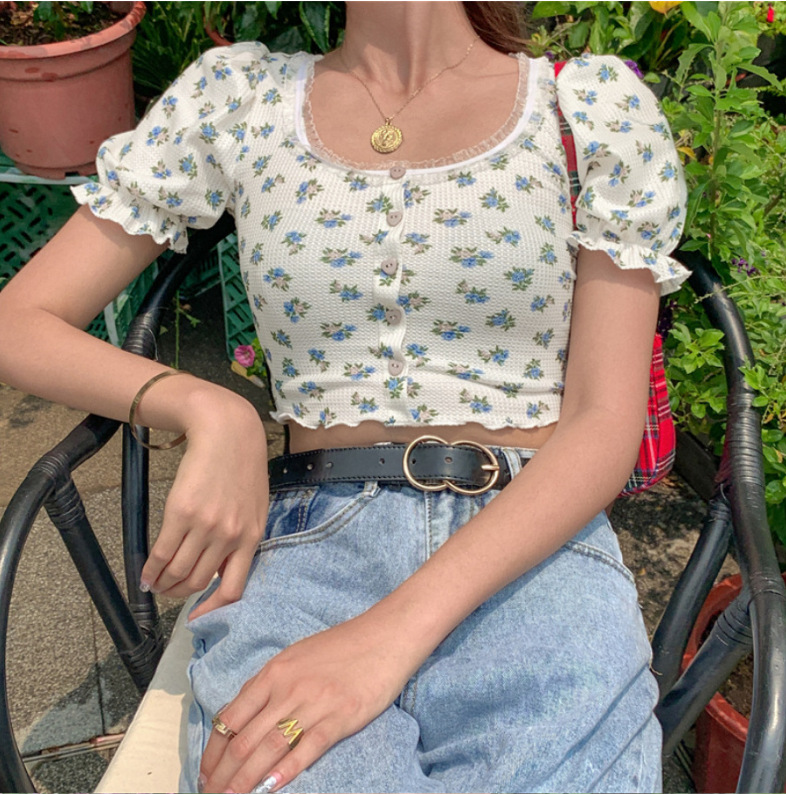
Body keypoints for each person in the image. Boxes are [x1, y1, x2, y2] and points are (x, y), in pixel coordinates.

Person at [0, 2, 690, 792]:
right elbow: (19, 322)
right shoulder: (238, 100)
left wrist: (388, 636)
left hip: (535, 560)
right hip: (307, 557)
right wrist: (207, 407)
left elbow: (604, 423)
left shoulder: (589, 111)